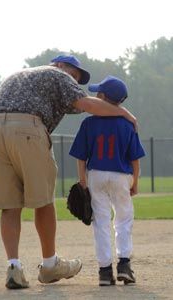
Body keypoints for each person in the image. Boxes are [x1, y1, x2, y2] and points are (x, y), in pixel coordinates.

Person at [0, 55, 137, 289]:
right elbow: (90, 105)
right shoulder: (57, 75)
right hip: (25, 128)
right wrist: (125, 113)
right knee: (43, 200)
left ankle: (14, 267)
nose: (74, 81)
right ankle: (50, 263)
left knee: (9, 204)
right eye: (74, 74)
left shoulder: (20, 75)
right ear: (60, 66)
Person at [69, 75, 145, 286]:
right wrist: (135, 182)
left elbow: (81, 157)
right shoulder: (128, 124)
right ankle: (124, 265)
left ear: (102, 97)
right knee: (123, 219)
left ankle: (104, 272)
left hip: (96, 175)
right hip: (121, 176)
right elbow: (135, 159)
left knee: (100, 222)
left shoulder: (89, 123)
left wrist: (82, 180)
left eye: (98, 93)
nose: (94, 96)